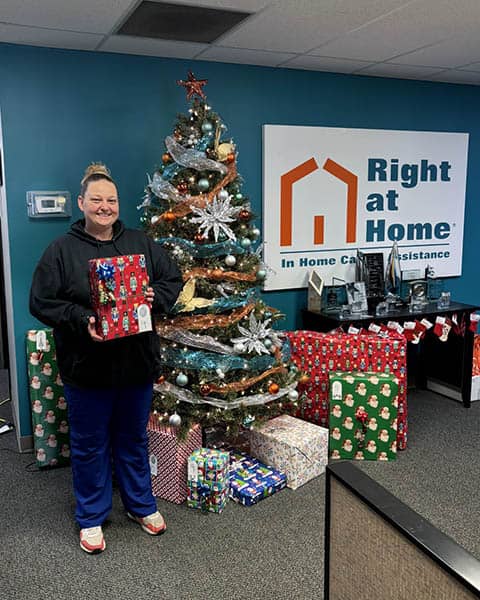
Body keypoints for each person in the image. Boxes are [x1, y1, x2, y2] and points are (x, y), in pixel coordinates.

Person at [30, 163, 183, 554]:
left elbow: (172, 279)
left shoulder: (140, 242)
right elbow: (41, 302)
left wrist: (156, 297)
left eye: (111, 200)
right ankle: (92, 517)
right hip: (88, 368)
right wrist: (82, 319)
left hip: (136, 364)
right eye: (96, 199)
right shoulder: (61, 250)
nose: (104, 206)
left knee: (133, 438)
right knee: (89, 444)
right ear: (81, 203)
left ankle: (140, 505)